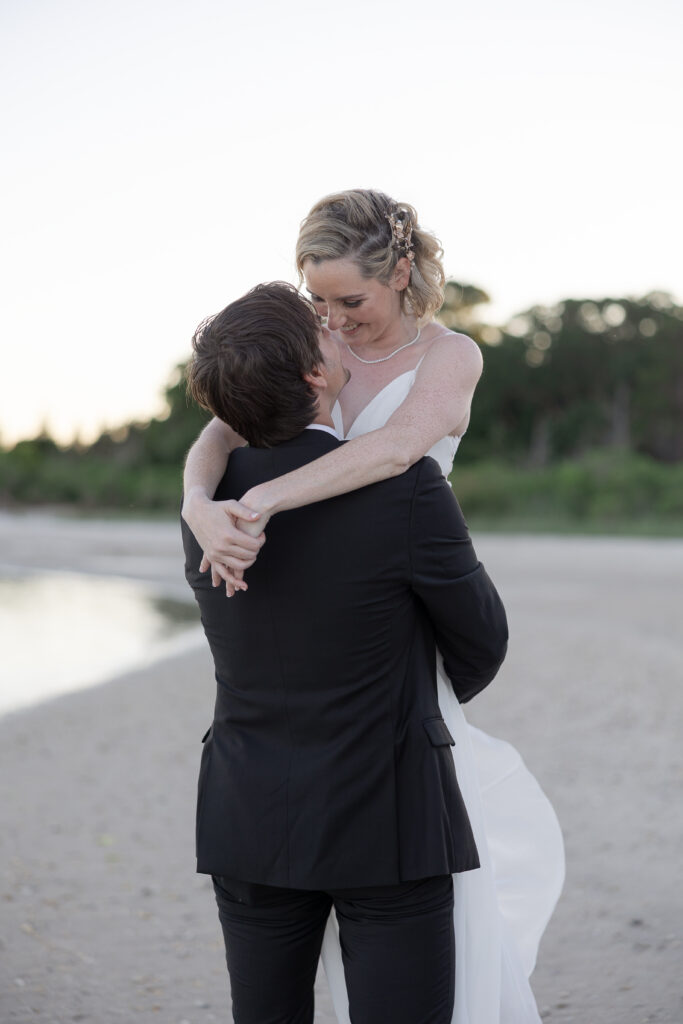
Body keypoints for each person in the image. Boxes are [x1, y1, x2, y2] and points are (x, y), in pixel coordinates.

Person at [182, 190, 565, 1023]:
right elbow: (221, 420)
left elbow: (393, 449)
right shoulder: (294, 382)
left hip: (331, 711)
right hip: (370, 723)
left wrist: (256, 507)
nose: (335, 319)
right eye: (318, 304)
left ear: (400, 273)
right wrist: (195, 504)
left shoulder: (446, 356)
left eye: (349, 302)